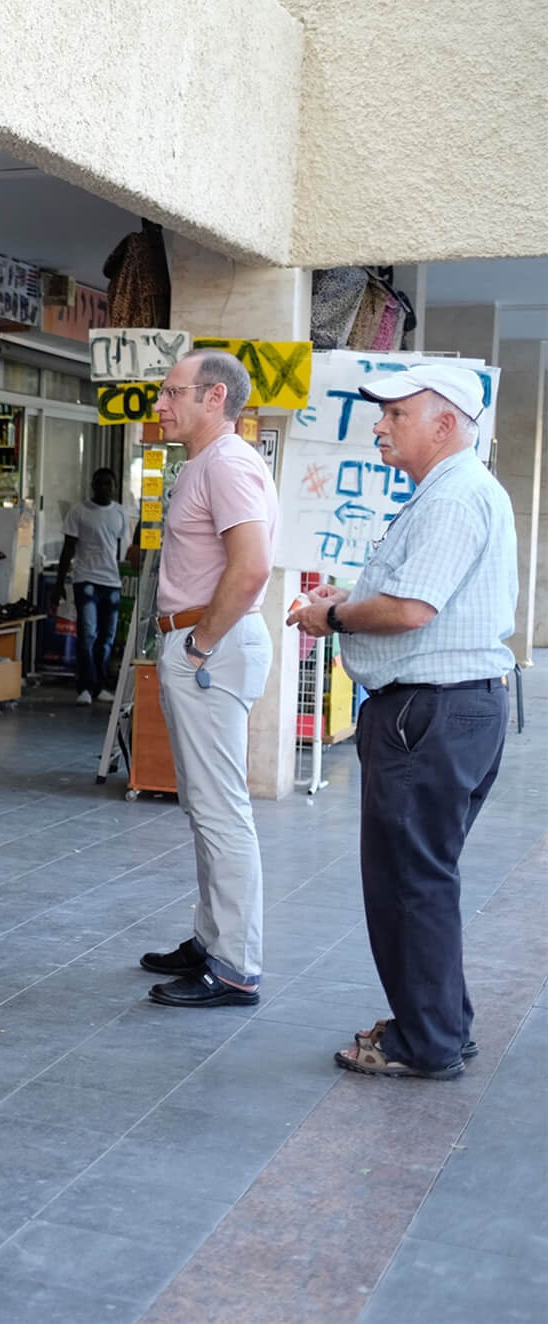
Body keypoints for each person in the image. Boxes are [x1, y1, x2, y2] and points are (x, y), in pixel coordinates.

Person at [288, 364, 515, 1079]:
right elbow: (415, 595)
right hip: (445, 709)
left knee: (409, 882)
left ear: (445, 424)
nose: (380, 426)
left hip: (430, 711)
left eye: (396, 414)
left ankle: (426, 1043)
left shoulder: (454, 498)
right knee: (423, 876)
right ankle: (440, 1024)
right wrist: (356, 597)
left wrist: (335, 615)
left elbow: (413, 611)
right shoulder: (450, 493)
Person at [139, 349, 276, 1008]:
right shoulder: (210, 463)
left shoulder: (228, 463)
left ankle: (235, 965)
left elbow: (250, 568)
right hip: (204, 645)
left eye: (173, 392)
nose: (160, 404)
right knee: (206, 806)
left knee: (221, 811)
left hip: (209, 647)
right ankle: (212, 938)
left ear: (214, 396)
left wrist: (199, 645)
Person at [50, 468, 131, 704]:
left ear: (115, 487)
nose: (104, 488)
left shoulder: (120, 513)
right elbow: (68, 548)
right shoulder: (79, 511)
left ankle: (100, 686)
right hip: (85, 579)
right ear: (92, 485)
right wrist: (59, 584)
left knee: (107, 637)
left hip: (111, 582)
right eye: (100, 483)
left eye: (109, 484)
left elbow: (116, 548)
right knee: (88, 634)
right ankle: (85, 686)